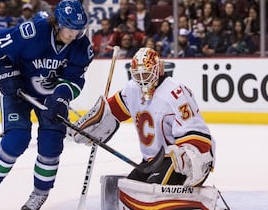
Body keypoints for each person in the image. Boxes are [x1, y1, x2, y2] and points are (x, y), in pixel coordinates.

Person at [0, 0, 94, 210]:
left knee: (51, 145)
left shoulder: (82, 46)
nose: (73, 35)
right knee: (16, 140)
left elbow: (75, 79)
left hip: (51, 99)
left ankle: (39, 194)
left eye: (78, 29)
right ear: (57, 23)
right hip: (19, 91)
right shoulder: (32, 32)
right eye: (69, 29)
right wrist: (5, 74)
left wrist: (61, 96)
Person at [72, 47, 215, 188]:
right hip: (150, 162)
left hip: (178, 161)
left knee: (151, 191)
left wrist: (190, 158)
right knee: (130, 190)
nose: (142, 80)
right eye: (137, 75)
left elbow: (196, 132)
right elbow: (111, 111)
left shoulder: (175, 93)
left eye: (146, 74)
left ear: (158, 69)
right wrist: (90, 124)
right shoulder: (132, 89)